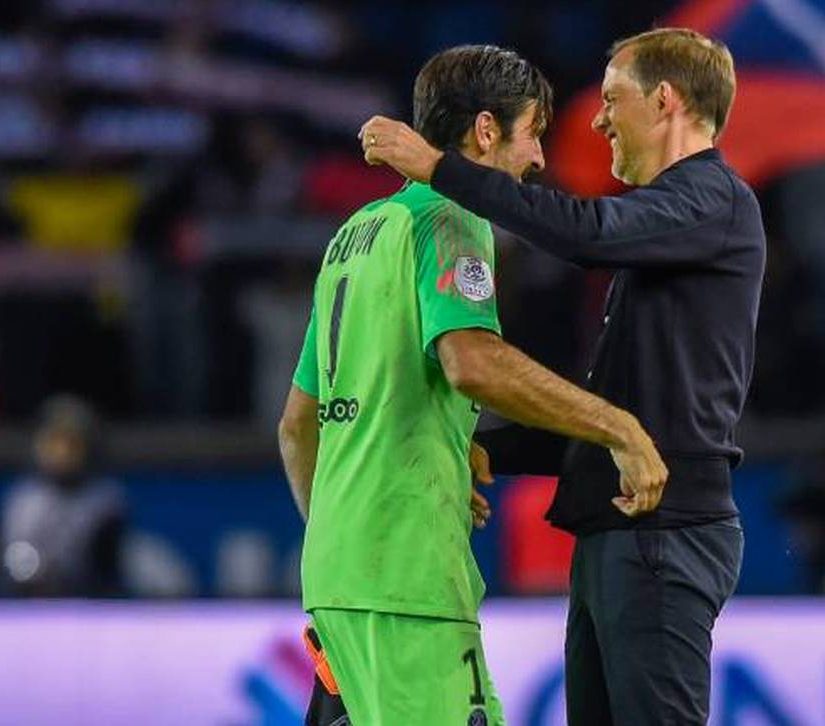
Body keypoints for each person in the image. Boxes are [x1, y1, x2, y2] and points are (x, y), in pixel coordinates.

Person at [361, 28, 765, 726]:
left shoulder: (714, 200)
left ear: (665, 101)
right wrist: (498, 450)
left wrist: (440, 168)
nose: (598, 118)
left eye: (612, 99)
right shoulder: (671, 228)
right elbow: (619, 414)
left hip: (663, 534)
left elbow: (586, 232)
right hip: (628, 534)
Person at [277, 45, 668, 726]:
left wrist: (350, 545)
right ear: (486, 131)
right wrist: (616, 426)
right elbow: (472, 362)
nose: (539, 159)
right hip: (408, 585)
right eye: (533, 132)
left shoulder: (355, 236)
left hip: (337, 581)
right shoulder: (450, 219)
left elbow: (295, 425)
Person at [0, 395, 126, 597]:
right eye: (53, 443)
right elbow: (13, 557)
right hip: (28, 597)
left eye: (70, 444)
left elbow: (105, 568)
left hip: (87, 600)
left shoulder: (105, 499)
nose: (61, 453)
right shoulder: (25, 499)